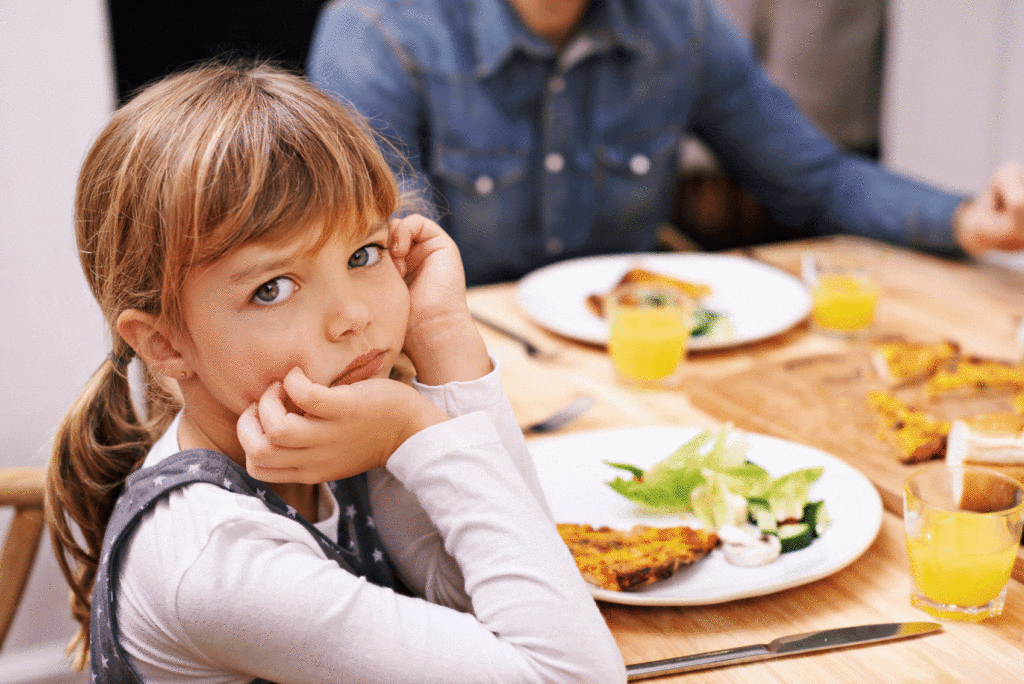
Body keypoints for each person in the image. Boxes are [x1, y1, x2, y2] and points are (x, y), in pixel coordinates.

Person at [44, 62, 625, 684]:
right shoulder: (218, 561)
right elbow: (575, 673)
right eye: (273, 288)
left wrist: (444, 339)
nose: (351, 316)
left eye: (363, 253)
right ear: (164, 345)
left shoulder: (343, 431)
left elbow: (503, 597)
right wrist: (414, 430)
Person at [307, 0, 1024, 285]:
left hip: (641, 352)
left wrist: (968, 219)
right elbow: (377, 264)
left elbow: (814, 180)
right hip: (459, 370)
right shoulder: (378, 32)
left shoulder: (680, 23)